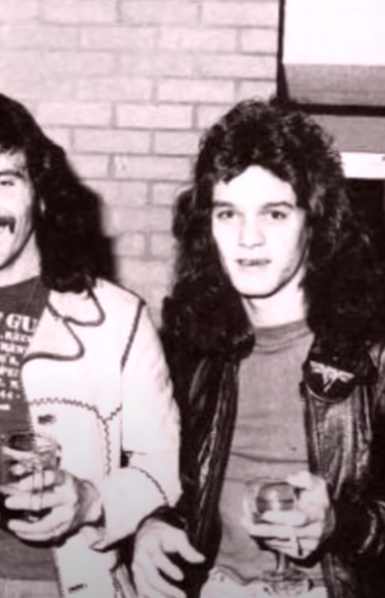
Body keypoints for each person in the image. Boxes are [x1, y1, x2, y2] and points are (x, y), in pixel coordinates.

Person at [0, 89, 182, 598]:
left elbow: (163, 466)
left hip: (68, 583)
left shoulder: (119, 320)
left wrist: (91, 500)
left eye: (3, 181)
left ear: (40, 193)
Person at [132, 98, 385, 598]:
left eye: (274, 213)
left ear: (315, 221)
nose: (249, 238)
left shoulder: (372, 353)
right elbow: (185, 486)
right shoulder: (193, 349)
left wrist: (341, 523)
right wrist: (153, 525)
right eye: (228, 213)